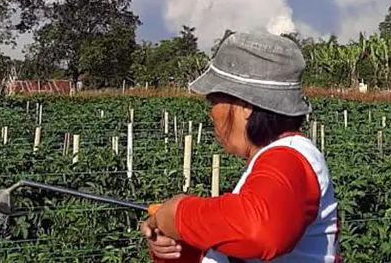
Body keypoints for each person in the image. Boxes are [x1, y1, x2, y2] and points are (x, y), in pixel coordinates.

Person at [141, 31, 342, 262]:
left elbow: (261, 233)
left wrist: (180, 215)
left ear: (246, 105)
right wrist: (179, 244)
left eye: (215, 101)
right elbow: (242, 247)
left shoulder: (288, 156)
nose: (211, 113)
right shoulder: (277, 157)